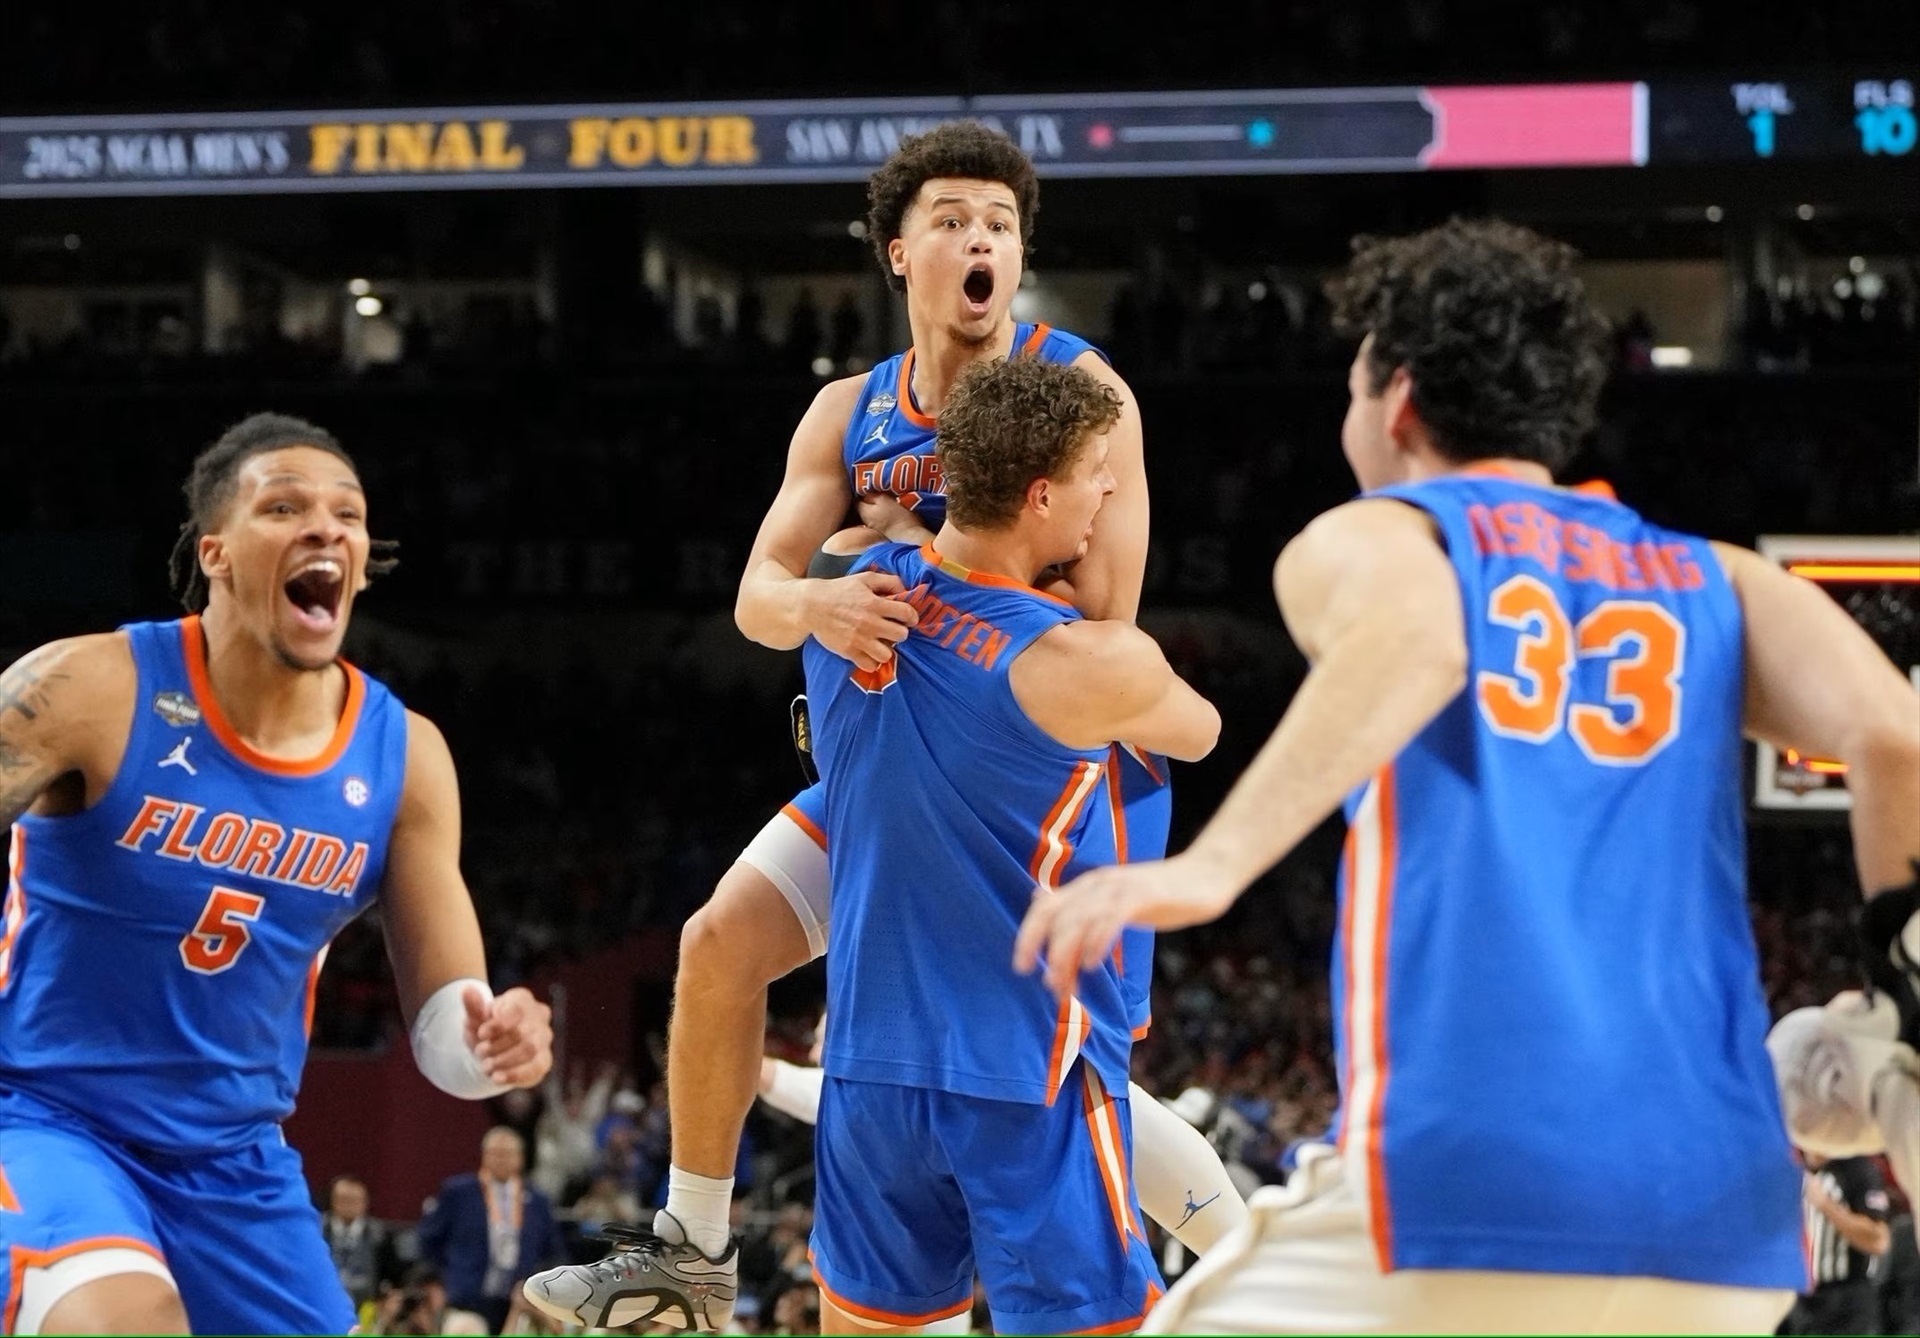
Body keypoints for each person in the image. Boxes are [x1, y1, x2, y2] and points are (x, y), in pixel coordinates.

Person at [1015, 217, 1920, 1334]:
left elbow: (1424, 638)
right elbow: (1896, 736)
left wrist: (1213, 867)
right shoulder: (1719, 577)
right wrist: (1901, 980)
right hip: (1719, 1240)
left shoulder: (1383, 534)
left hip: (1462, 1200)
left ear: (1394, 399)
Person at [524, 119, 1246, 1332]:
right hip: (893, 766)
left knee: (1062, 1073)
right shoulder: (845, 411)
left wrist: (909, 565)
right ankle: (693, 1251)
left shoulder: (1086, 393)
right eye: (956, 220)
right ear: (898, 251)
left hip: (1050, 785)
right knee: (716, 946)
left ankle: (1234, 1248)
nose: (982, 241)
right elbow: (758, 595)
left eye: (1003, 226)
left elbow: (1106, 614)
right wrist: (819, 593)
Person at [0, 411, 554, 1335]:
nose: (325, 528)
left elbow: (446, 1031)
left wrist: (493, 1040)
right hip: (45, 1116)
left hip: (233, 1161)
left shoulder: (403, 758)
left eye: (348, 513)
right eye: (285, 506)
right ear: (215, 552)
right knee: (128, 1322)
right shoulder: (87, 690)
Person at [798, 356, 1217, 1333]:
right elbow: (1195, 731)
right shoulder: (1087, 660)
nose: (1108, 490)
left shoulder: (835, 592)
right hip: (1026, 1076)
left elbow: (790, 583)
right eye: (1095, 473)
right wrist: (1075, 608)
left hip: (868, 1068)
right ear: (1040, 495)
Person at [416, 1126, 566, 1336]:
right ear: (484, 1156)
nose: (501, 1159)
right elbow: (429, 1239)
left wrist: (533, 1285)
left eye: (507, 1154)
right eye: (495, 1153)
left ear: (520, 1159)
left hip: (520, 1299)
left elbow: (552, 1251)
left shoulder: (538, 1201)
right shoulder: (458, 1193)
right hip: (468, 1296)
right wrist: (448, 1276)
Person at [1779, 1151, 1891, 1334]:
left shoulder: (1856, 1168)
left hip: (1846, 1298)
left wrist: (1824, 1203)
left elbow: (1878, 1240)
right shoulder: (1789, 1167)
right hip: (1798, 1297)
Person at [322, 1171, 403, 1318]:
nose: (348, 1205)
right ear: (332, 1200)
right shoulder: (316, 1232)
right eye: (343, 1199)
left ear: (365, 1202)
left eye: (354, 1200)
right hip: (323, 1304)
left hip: (368, 1310)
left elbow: (394, 1279)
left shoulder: (381, 1236)